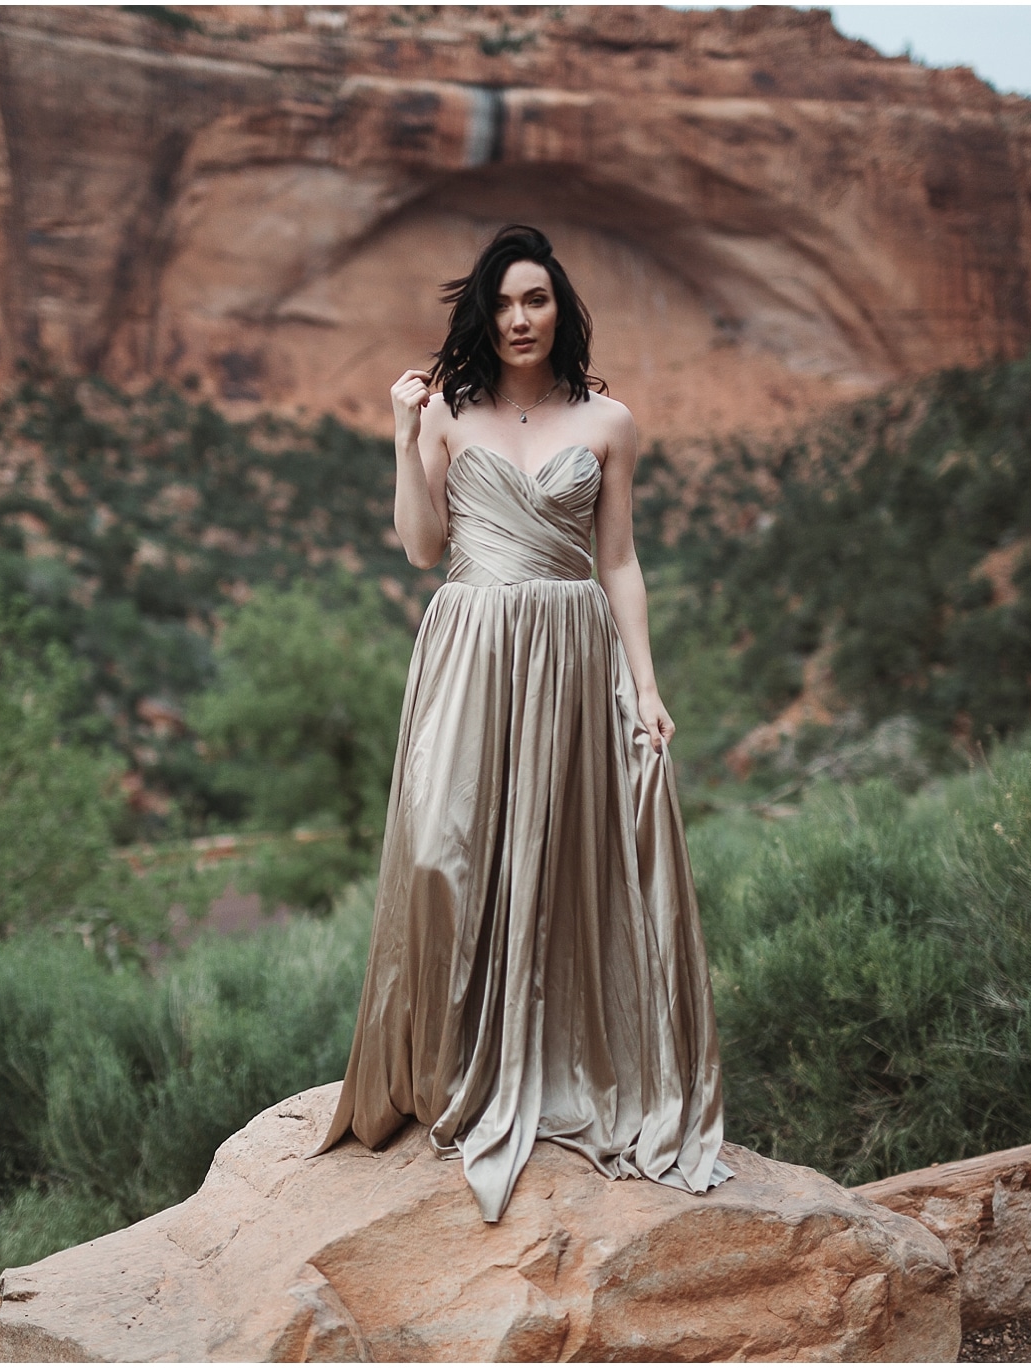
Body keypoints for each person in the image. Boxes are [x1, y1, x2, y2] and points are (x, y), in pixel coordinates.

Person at [312, 224, 731, 1222]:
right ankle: (446, 1066)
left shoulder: (608, 422)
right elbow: (420, 547)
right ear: (478, 315)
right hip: (468, 643)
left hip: (573, 648)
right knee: (439, 852)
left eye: (533, 300)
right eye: (500, 303)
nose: (516, 318)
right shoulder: (448, 413)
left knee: (560, 863)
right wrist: (401, 433)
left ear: (560, 310)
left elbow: (618, 559)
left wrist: (645, 684)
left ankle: (561, 1067)